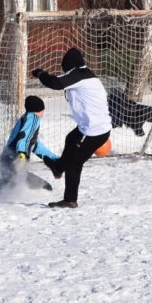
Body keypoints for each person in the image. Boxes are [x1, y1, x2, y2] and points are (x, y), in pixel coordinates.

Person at [31, 47, 111, 208]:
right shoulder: (85, 74)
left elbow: (55, 83)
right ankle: (58, 167)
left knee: (74, 165)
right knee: (71, 138)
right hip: (93, 128)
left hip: (92, 131)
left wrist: (40, 74)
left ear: (70, 65)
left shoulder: (78, 75)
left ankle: (70, 200)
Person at [0, 95, 59, 200]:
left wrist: (55, 159)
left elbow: (35, 146)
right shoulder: (34, 118)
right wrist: (21, 154)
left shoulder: (25, 118)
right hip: (15, 160)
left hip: (7, 159)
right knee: (44, 187)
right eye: (43, 110)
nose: (43, 113)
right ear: (39, 110)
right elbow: (24, 137)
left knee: (8, 184)